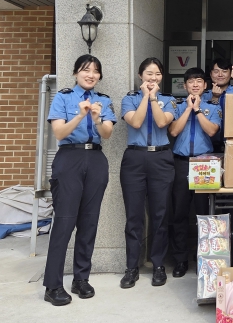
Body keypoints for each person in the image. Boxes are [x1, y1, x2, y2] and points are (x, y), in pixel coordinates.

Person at [43, 55, 116, 306]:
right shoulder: (63, 97)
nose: (90, 74)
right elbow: (59, 132)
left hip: (95, 159)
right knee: (64, 222)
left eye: (95, 71)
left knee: (89, 222)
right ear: (76, 73)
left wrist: (96, 118)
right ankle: (52, 285)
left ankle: (81, 279)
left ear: (99, 76)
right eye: (86, 70)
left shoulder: (103, 100)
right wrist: (79, 115)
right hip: (69, 158)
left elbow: (107, 133)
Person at [119, 57, 178, 289]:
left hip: (161, 158)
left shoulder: (169, 100)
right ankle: (131, 267)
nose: (153, 78)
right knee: (134, 216)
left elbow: (163, 123)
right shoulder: (129, 99)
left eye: (157, 74)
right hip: (135, 158)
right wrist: (145, 97)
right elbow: (135, 122)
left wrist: (153, 98)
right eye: (149, 74)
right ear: (140, 76)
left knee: (160, 215)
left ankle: (158, 265)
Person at [168, 68, 221, 278]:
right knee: (179, 213)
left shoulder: (212, 107)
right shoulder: (177, 106)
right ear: (185, 86)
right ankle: (180, 260)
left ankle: (203, 258)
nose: (195, 84)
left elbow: (212, 131)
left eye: (199, 81)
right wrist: (189, 109)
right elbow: (173, 131)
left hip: (204, 163)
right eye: (191, 81)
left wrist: (198, 110)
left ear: (205, 85)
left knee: (204, 213)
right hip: (181, 163)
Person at [202, 59, 233, 153]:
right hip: (207, 146)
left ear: (231, 74)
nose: (220, 75)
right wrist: (214, 98)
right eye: (216, 71)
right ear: (210, 74)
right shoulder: (204, 95)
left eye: (224, 71)